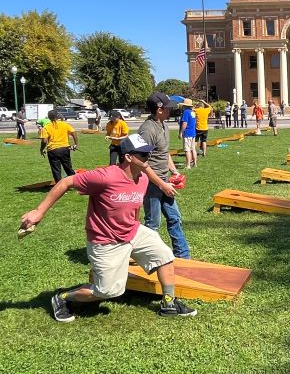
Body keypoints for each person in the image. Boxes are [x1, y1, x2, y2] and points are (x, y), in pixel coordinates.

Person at [20, 134, 196, 322]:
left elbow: (134, 208)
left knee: (164, 255)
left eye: (149, 153)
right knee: (108, 291)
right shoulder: (105, 177)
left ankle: (168, 304)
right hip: (106, 241)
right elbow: (66, 182)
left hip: (132, 231)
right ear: (128, 157)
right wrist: (39, 212)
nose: (148, 157)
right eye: (143, 155)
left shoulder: (142, 178)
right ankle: (62, 298)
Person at [138, 92, 190, 259]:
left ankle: (183, 256)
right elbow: (141, 163)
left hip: (164, 180)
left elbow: (164, 153)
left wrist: (174, 171)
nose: (171, 111)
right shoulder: (147, 130)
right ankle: (150, 258)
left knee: (174, 217)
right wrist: (161, 184)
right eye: (168, 108)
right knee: (152, 224)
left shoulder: (163, 125)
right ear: (159, 109)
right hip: (151, 183)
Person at [40, 110, 79, 183]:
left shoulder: (46, 127)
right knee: (68, 168)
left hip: (53, 150)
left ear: (48, 117)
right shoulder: (65, 124)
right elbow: (74, 133)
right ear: (57, 116)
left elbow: (44, 141)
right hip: (65, 149)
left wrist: (41, 149)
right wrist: (75, 144)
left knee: (56, 170)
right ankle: (76, 184)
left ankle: (59, 187)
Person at [179, 98, 197, 169]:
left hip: (187, 133)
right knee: (193, 149)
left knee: (187, 150)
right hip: (193, 133)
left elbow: (184, 123)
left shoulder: (186, 112)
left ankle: (188, 165)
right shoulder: (192, 112)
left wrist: (181, 132)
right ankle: (195, 164)